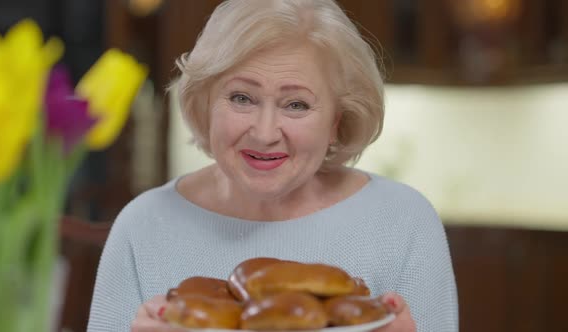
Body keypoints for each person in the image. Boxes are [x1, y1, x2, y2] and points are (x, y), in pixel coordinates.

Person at [87, 0, 458, 331]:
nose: (264, 133)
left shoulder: (403, 222)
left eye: (296, 104)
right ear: (205, 104)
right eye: (241, 97)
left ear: (337, 122)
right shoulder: (143, 225)